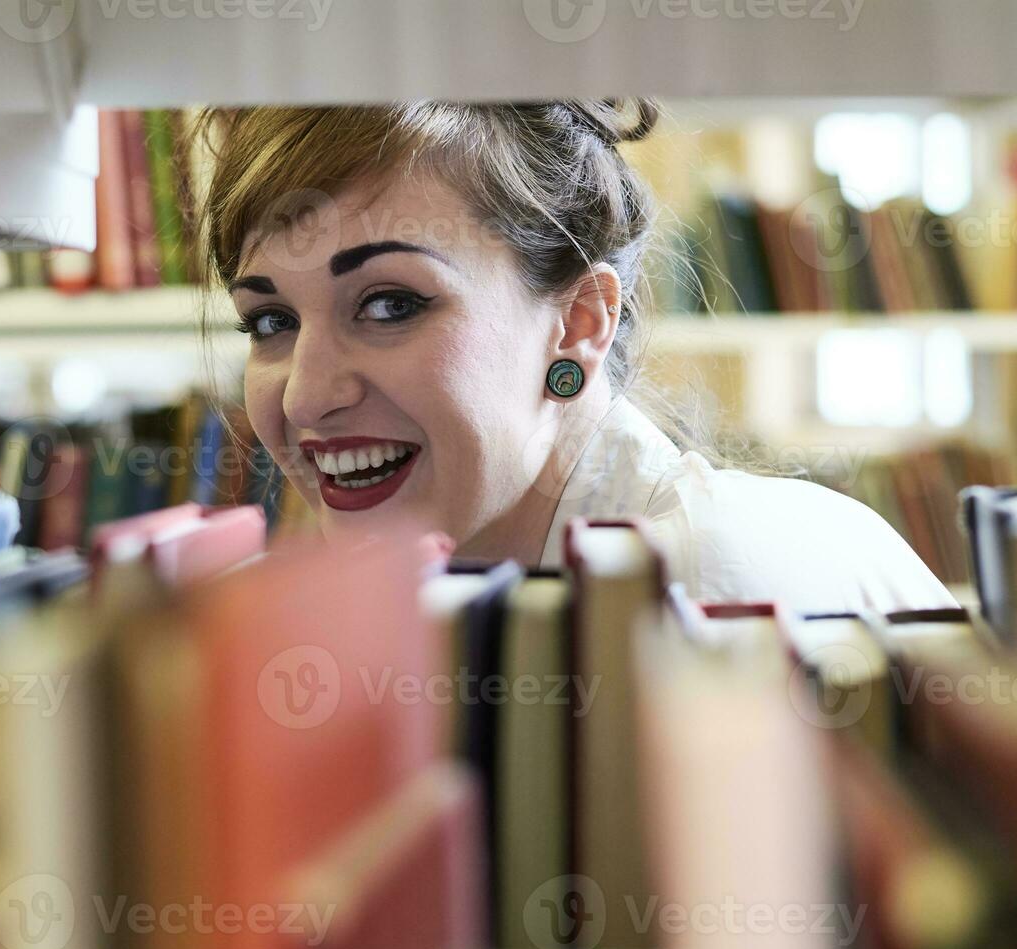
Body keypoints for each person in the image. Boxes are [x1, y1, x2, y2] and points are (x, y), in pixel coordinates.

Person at [193, 100, 955, 613]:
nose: (303, 399)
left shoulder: (714, 589)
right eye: (270, 322)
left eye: (390, 304)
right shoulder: (444, 604)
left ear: (580, 323)